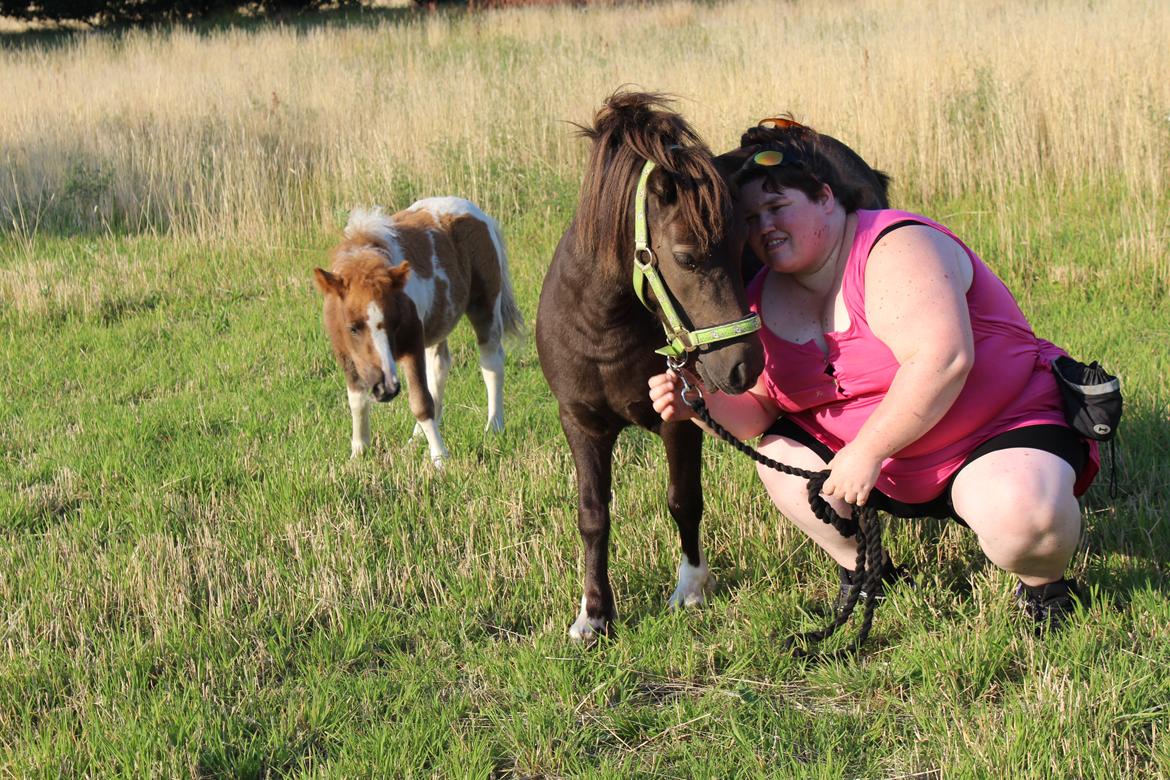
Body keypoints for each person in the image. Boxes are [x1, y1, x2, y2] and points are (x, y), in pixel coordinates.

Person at [648, 123, 1099, 631]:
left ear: (825, 197)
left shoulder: (894, 245)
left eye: (778, 208)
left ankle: (1046, 589)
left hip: (993, 433)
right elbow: (759, 412)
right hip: (871, 468)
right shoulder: (759, 295)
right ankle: (868, 571)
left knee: (1021, 516)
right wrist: (700, 407)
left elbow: (942, 360)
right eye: (751, 219)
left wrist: (866, 451)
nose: (765, 227)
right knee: (779, 456)